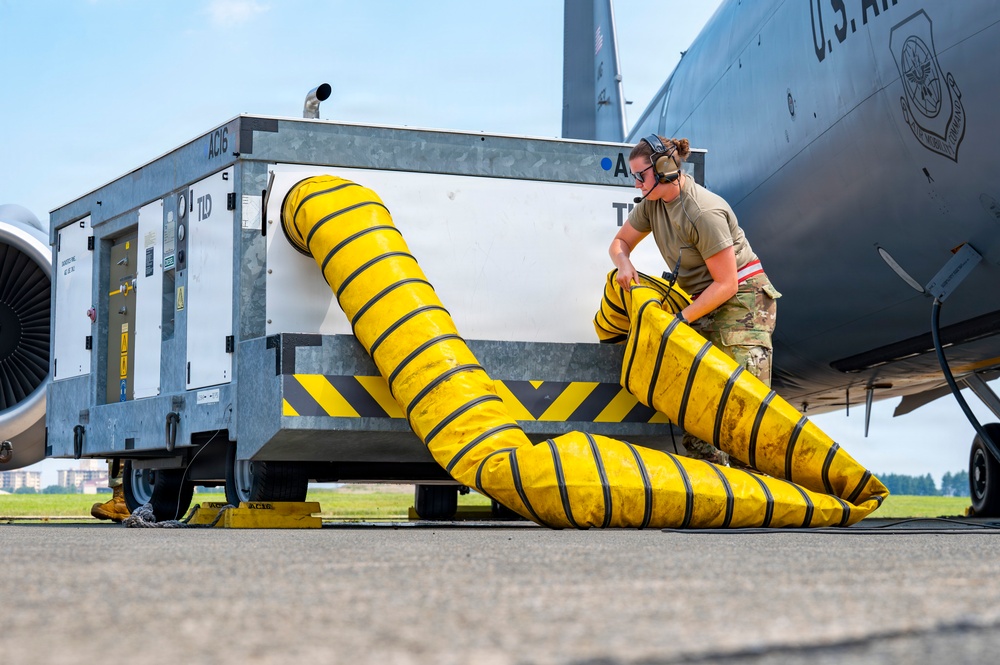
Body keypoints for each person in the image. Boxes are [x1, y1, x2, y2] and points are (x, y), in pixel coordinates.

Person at [608, 135, 781, 466]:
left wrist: (680, 320)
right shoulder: (652, 204)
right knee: (697, 398)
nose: (635, 184)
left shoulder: (704, 211)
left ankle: (760, 494)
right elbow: (619, 242)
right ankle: (717, 486)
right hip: (706, 299)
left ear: (663, 169)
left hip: (742, 299)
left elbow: (727, 283)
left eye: (640, 176)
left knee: (744, 403)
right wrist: (624, 263)